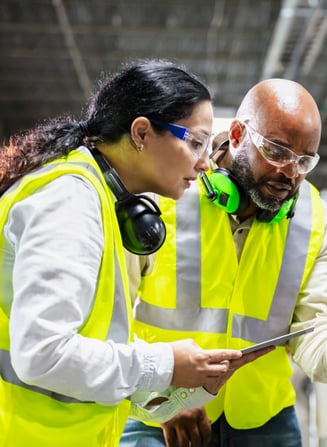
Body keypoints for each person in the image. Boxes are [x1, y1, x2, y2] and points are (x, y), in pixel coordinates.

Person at [121, 78, 327, 447]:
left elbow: (320, 326)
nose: (290, 172)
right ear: (236, 134)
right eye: (277, 151)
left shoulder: (315, 220)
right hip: (158, 411)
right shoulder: (167, 190)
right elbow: (109, 317)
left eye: (304, 160)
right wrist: (160, 392)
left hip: (264, 423)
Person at [0, 59, 272, 447]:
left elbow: (88, 340)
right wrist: (165, 365)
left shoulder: (98, 198)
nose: (203, 162)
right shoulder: (70, 200)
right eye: (195, 141)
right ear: (142, 132)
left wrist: (162, 395)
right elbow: (44, 355)